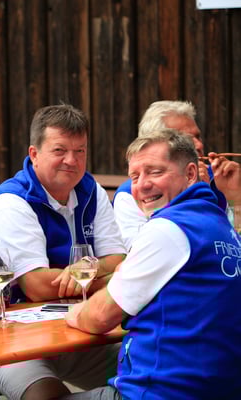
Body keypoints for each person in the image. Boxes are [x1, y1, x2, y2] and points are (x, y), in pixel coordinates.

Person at [60, 129, 241, 399]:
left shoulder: (169, 227)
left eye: (155, 172)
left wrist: (73, 313)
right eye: (134, 176)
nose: (142, 185)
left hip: (163, 390)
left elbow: (99, 317)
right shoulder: (220, 225)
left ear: (191, 174)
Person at [0, 104, 126, 400]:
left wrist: (87, 269)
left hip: (78, 329)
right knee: (46, 396)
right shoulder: (11, 202)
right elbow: (37, 286)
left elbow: (118, 260)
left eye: (80, 151)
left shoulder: (91, 190)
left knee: (150, 372)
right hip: (12, 339)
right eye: (60, 150)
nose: (71, 161)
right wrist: (107, 279)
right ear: (34, 154)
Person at [113, 100, 240, 250]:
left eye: (198, 136)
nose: (199, 145)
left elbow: (231, 245)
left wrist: (235, 201)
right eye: (186, 139)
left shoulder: (220, 178)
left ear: (191, 172)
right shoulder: (132, 194)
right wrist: (194, 196)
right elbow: (144, 251)